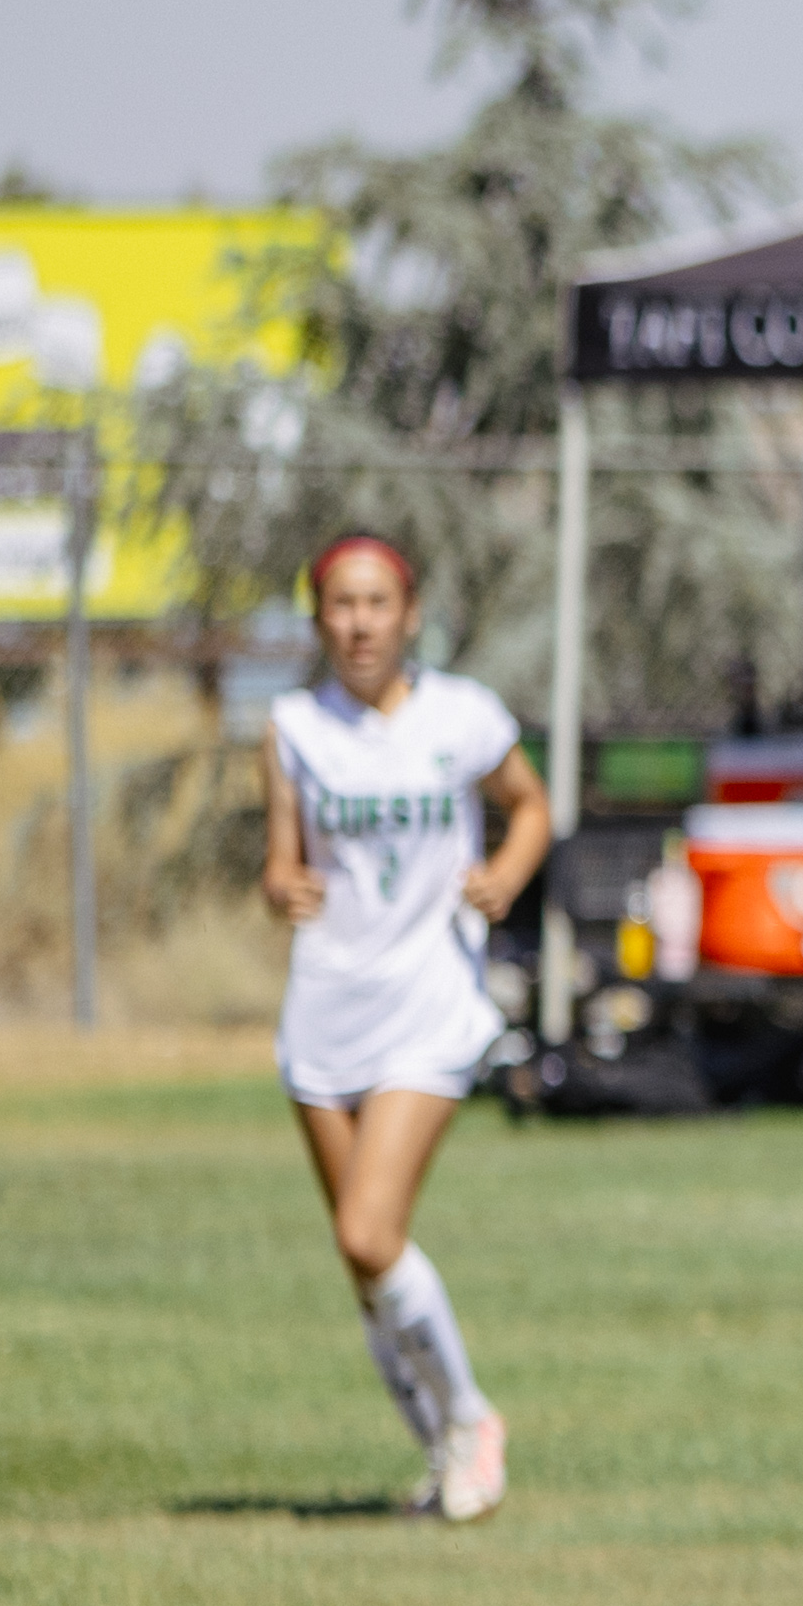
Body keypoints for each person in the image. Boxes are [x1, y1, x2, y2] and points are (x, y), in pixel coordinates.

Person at [261, 530, 550, 1523]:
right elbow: (281, 860)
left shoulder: (462, 716)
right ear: (317, 620)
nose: (359, 622)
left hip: (428, 1000)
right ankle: (437, 1453)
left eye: (376, 602)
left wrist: (504, 876)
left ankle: (472, 1419)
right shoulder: (296, 725)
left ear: (410, 611)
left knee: (368, 1228)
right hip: (325, 1007)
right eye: (340, 604)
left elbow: (531, 805)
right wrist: (279, 884)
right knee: (363, 1260)